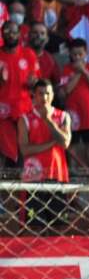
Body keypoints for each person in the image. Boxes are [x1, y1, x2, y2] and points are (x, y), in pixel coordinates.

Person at [19, 80, 71, 227]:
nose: (44, 97)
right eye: (40, 93)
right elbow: (24, 150)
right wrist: (51, 143)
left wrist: (47, 119)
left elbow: (65, 143)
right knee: (35, 227)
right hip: (33, 177)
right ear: (33, 96)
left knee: (59, 226)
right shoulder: (25, 119)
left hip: (57, 176)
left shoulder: (63, 116)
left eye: (48, 93)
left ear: (53, 95)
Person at [60, 37, 89, 178]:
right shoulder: (66, 69)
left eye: (80, 54)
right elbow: (66, 90)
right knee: (73, 141)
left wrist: (84, 71)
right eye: (74, 54)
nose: (77, 57)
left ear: (86, 53)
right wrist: (78, 72)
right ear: (70, 55)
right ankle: (72, 169)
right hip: (73, 112)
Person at [0, 19, 39, 169]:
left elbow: (35, 82)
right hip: (3, 111)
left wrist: (33, 82)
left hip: (23, 109)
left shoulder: (28, 54)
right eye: (7, 31)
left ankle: (23, 188)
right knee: (4, 151)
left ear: (19, 34)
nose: (10, 34)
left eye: (13, 31)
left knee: (23, 149)